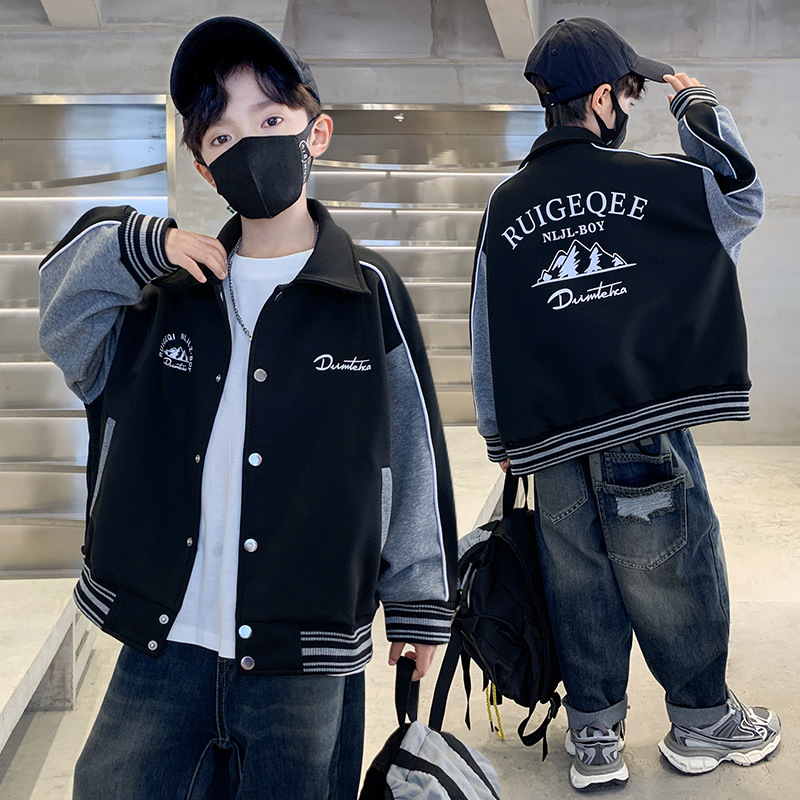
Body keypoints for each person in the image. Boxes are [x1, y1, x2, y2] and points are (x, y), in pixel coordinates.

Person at [39, 16, 457, 800]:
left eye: (269, 121)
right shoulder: (166, 293)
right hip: (165, 640)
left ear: (315, 133)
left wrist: (418, 603)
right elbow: (62, 321)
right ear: (205, 169)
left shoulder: (367, 293)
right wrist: (138, 247)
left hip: (307, 645)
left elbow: (411, 453)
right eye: (223, 137)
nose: (249, 146)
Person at [470, 16, 780, 792]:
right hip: (642, 428)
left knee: (578, 583)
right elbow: (742, 197)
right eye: (631, 94)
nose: (632, 107)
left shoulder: (507, 202)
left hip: (552, 439)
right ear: (603, 98)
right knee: (674, 569)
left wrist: (499, 434)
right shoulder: (656, 181)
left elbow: (487, 322)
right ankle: (702, 722)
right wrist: (698, 108)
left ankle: (595, 738)